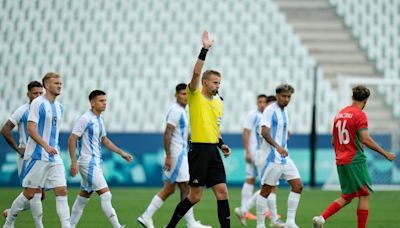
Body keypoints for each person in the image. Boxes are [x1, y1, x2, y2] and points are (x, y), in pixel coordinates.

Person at [165, 31, 231, 228]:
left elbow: (214, 127)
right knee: (195, 196)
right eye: (214, 82)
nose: (218, 85)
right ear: (205, 82)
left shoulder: (219, 102)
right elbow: (195, 73)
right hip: (199, 150)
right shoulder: (195, 95)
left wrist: (221, 144)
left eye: (219, 82)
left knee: (223, 192)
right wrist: (205, 49)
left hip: (213, 150)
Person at [312, 85, 396, 228]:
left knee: (347, 196)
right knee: (364, 195)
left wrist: (342, 154)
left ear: (352, 97)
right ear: (366, 101)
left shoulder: (340, 114)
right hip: (355, 160)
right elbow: (365, 138)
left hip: (341, 160)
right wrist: (385, 153)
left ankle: (322, 218)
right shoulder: (360, 115)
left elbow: (334, 141)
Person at [137, 83, 210, 228]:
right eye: (182, 94)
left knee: (169, 188)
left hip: (179, 153)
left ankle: (146, 216)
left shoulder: (183, 110)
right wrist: (169, 156)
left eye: (186, 94)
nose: (185, 97)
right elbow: (167, 133)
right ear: (176, 95)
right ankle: (190, 223)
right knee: (186, 188)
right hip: (177, 155)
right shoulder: (176, 111)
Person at [3, 73, 71, 228]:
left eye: (61, 83)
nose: (60, 85)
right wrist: (45, 145)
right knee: (30, 194)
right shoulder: (36, 104)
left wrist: (51, 147)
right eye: (56, 83)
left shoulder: (60, 107)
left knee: (62, 191)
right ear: (47, 85)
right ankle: (9, 222)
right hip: (36, 156)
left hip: (54, 156)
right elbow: (30, 129)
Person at [68, 90, 133, 228]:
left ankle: (69, 226)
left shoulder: (100, 119)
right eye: (101, 101)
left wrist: (121, 153)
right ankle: (117, 226)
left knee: (83, 197)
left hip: (94, 162)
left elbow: (105, 140)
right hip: (88, 162)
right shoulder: (85, 118)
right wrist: (73, 161)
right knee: (106, 195)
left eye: (105, 101)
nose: (104, 103)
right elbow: (72, 139)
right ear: (92, 103)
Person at [256, 84, 301, 228]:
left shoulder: (284, 111)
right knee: (266, 190)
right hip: (272, 157)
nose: (286, 99)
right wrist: (278, 147)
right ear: (277, 96)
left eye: (289, 96)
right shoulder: (270, 110)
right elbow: (264, 131)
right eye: (283, 96)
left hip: (284, 157)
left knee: (298, 186)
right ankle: (260, 224)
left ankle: (290, 222)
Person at [235, 95, 282, 226]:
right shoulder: (257, 116)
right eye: (260, 102)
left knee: (263, 184)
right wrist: (248, 151)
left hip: (262, 155)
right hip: (262, 155)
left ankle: (244, 209)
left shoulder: (266, 117)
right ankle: (272, 218)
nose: (262, 105)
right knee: (268, 186)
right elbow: (246, 132)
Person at [1, 81, 43, 226]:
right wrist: (18, 149)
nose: (38, 96)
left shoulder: (43, 109)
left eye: (40, 93)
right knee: (35, 193)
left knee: (39, 195)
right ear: (28, 94)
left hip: (41, 156)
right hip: (27, 158)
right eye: (35, 93)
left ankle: (10, 213)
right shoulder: (23, 110)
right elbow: (5, 129)